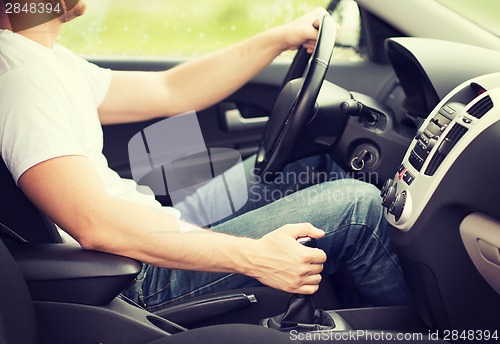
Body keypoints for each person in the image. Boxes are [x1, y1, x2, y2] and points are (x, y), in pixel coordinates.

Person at [0, 0, 411, 313]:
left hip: (153, 227)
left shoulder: (45, 60)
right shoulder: (19, 78)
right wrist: (255, 256)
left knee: (313, 161)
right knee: (359, 208)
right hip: (130, 274)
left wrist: (278, 38)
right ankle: (429, 331)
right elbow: (94, 223)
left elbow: (170, 90)